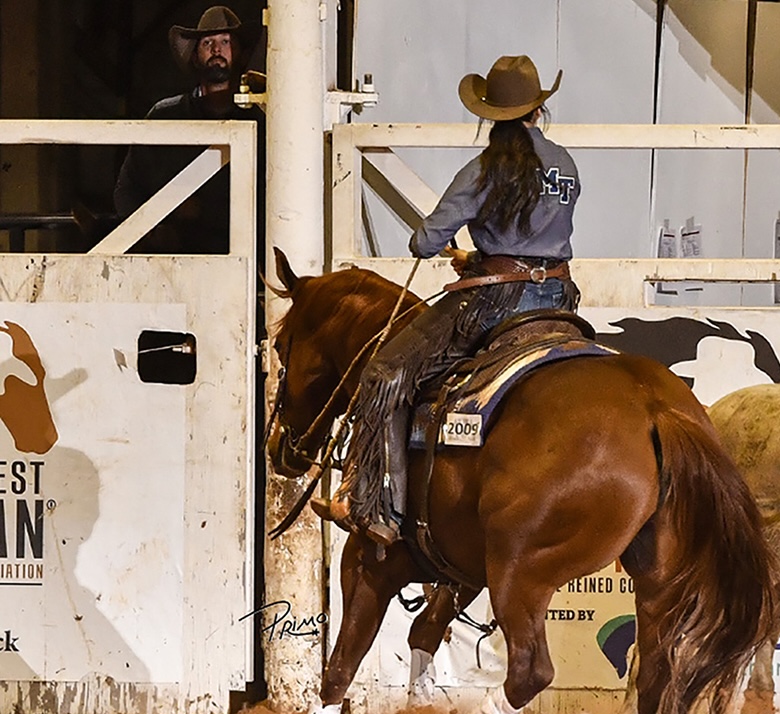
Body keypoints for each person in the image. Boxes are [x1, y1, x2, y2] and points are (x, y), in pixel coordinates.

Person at [311, 55, 582, 546]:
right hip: (558, 299)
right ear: (537, 111)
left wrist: (462, 248)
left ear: (490, 116)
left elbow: (426, 241)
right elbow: (536, 233)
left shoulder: (483, 170)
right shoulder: (565, 164)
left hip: (498, 301)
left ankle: (380, 509)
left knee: (384, 373)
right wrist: (483, 254)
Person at [113, 5, 264, 254]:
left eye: (226, 41)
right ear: (195, 56)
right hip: (172, 261)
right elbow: (127, 188)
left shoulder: (262, 119)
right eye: (208, 43)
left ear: (239, 53)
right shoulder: (165, 116)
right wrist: (148, 232)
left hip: (244, 259)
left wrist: (204, 211)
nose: (217, 49)